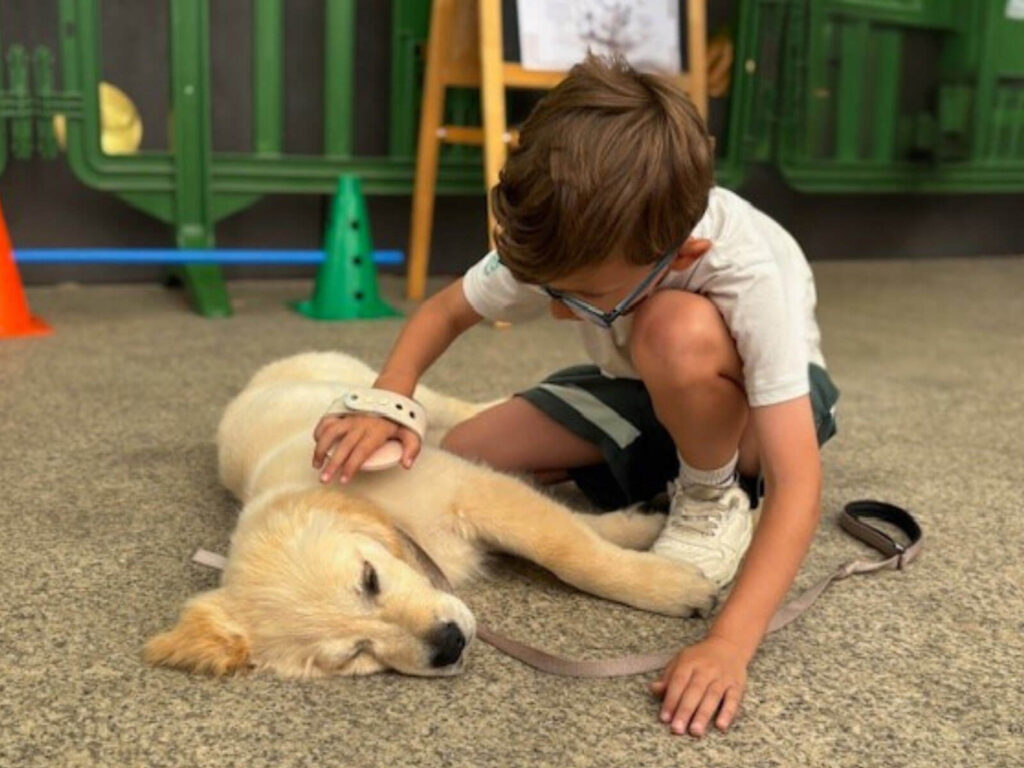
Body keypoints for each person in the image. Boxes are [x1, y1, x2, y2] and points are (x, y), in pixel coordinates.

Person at [312, 54, 838, 738]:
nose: (558, 314)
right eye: (547, 290)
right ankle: (650, 463)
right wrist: (389, 402)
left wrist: (729, 646)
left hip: (765, 419)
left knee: (672, 327)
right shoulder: (570, 228)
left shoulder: (743, 269)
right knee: (460, 461)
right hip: (642, 388)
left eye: (581, 297)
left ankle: (711, 494)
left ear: (679, 256)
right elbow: (443, 312)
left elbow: (800, 484)